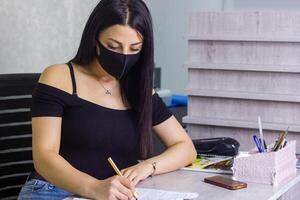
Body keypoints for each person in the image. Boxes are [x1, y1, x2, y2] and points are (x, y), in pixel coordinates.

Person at [18, 0, 197, 199]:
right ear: (95, 39)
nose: (124, 56)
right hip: (53, 191)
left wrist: (148, 166)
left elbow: (185, 147)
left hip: (113, 194)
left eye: (135, 48)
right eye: (114, 46)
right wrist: (95, 187)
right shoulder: (60, 77)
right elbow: (44, 157)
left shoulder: (139, 88)